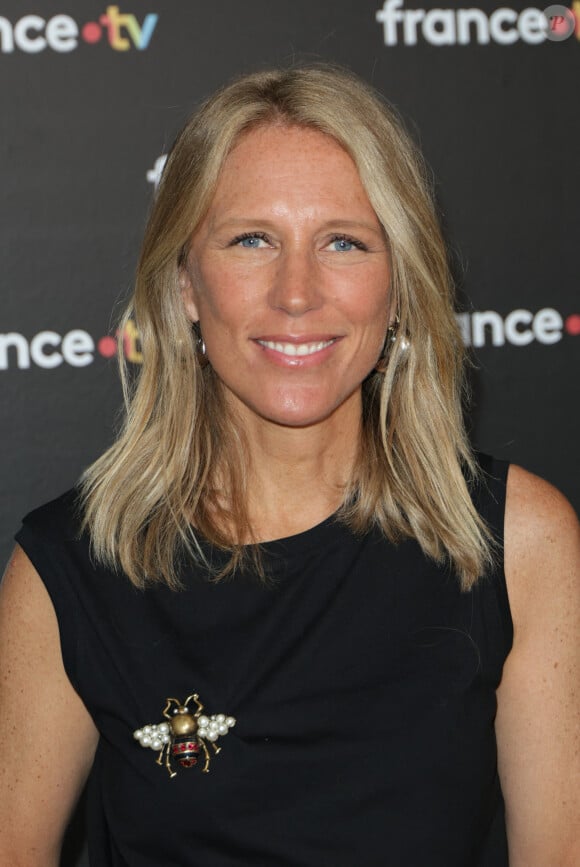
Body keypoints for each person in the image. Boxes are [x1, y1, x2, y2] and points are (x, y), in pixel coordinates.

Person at [0, 65, 578, 867]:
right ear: (184, 286)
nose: (297, 292)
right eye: (251, 240)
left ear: (401, 283)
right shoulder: (70, 569)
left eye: (343, 241)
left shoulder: (522, 542)